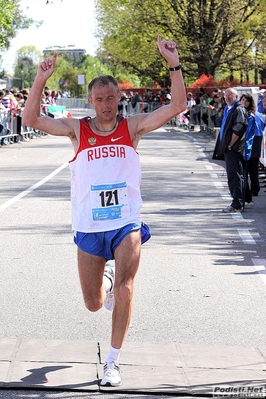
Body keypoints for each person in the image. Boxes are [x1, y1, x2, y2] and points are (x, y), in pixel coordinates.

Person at [22, 34, 187, 387]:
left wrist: (173, 63)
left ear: (118, 99)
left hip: (126, 221)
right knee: (93, 303)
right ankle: (106, 280)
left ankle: (112, 362)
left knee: (127, 288)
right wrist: (40, 78)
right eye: (99, 99)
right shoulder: (77, 130)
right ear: (92, 102)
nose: (106, 104)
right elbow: (31, 119)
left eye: (111, 98)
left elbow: (176, 106)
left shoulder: (133, 127)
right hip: (89, 225)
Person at [213, 88, 248, 213]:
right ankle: (239, 202)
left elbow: (239, 127)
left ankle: (237, 204)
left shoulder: (238, 109)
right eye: (225, 95)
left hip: (234, 148)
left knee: (235, 176)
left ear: (236, 96)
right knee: (234, 175)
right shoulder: (229, 108)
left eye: (230, 95)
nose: (227, 98)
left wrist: (230, 144)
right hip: (229, 148)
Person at [239, 93, 258, 207]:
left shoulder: (250, 117)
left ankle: (247, 198)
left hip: (245, 148)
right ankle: (243, 197)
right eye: (243, 100)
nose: (244, 103)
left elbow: (247, 134)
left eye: (246, 101)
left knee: (244, 175)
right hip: (239, 148)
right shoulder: (237, 113)